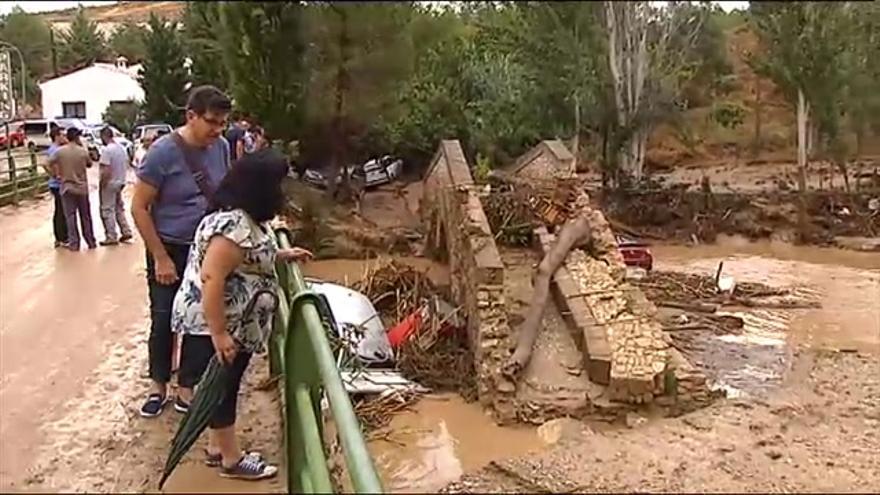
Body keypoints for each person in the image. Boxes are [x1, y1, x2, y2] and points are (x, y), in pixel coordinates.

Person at [171, 149, 312, 480]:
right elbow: (212, 277)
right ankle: (232, 460)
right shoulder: (233, 226)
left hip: (228, 320)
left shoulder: (241, 217)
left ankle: (215, 446)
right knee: (224, 386)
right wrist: (220, 333)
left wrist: (280, 254)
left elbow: (248, 257)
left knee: (220, 384)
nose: (283, 190)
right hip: (217, 322)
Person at [130, 85, 233, 418]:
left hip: (205, 249)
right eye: (212, 122)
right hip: (170, 247)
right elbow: (139, 208)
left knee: (201, 320)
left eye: (223, 124)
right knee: (163, 319)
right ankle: (157, 385)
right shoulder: (161, 153)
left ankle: (186, 386)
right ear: (191, 116)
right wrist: (159, 257)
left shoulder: (221, 148)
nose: (217, 131)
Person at [50, 127, 96, 251]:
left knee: (70, 217)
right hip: (82, 188)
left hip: (66, 188)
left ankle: (74, 244)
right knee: (85, 216)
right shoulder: (82, 151)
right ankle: (90, 242)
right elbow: (90, 164)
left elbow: (47, 162)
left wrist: (55, 174)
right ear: (77, 137)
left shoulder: (60, 152)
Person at [98, 126, 134, 245]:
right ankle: (126, 230)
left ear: (104, 136)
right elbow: (128, 164)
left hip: (110, 183)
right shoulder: (122, 149)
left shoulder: (107, 150)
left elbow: (106, 170)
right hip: (121, 181)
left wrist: (102, 184)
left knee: (107, 210)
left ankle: (111, 236)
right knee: (119, 208)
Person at [43, 126, 69, 248]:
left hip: (57, 184)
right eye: (62, 135)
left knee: (60, 210)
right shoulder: (55, 150)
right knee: (61, 211)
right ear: (57, 136)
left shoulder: (57, 149)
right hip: (57, 185)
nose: (65, 137)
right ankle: (62, 237)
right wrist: (56, 175)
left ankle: (60, 237)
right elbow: (47, 164)